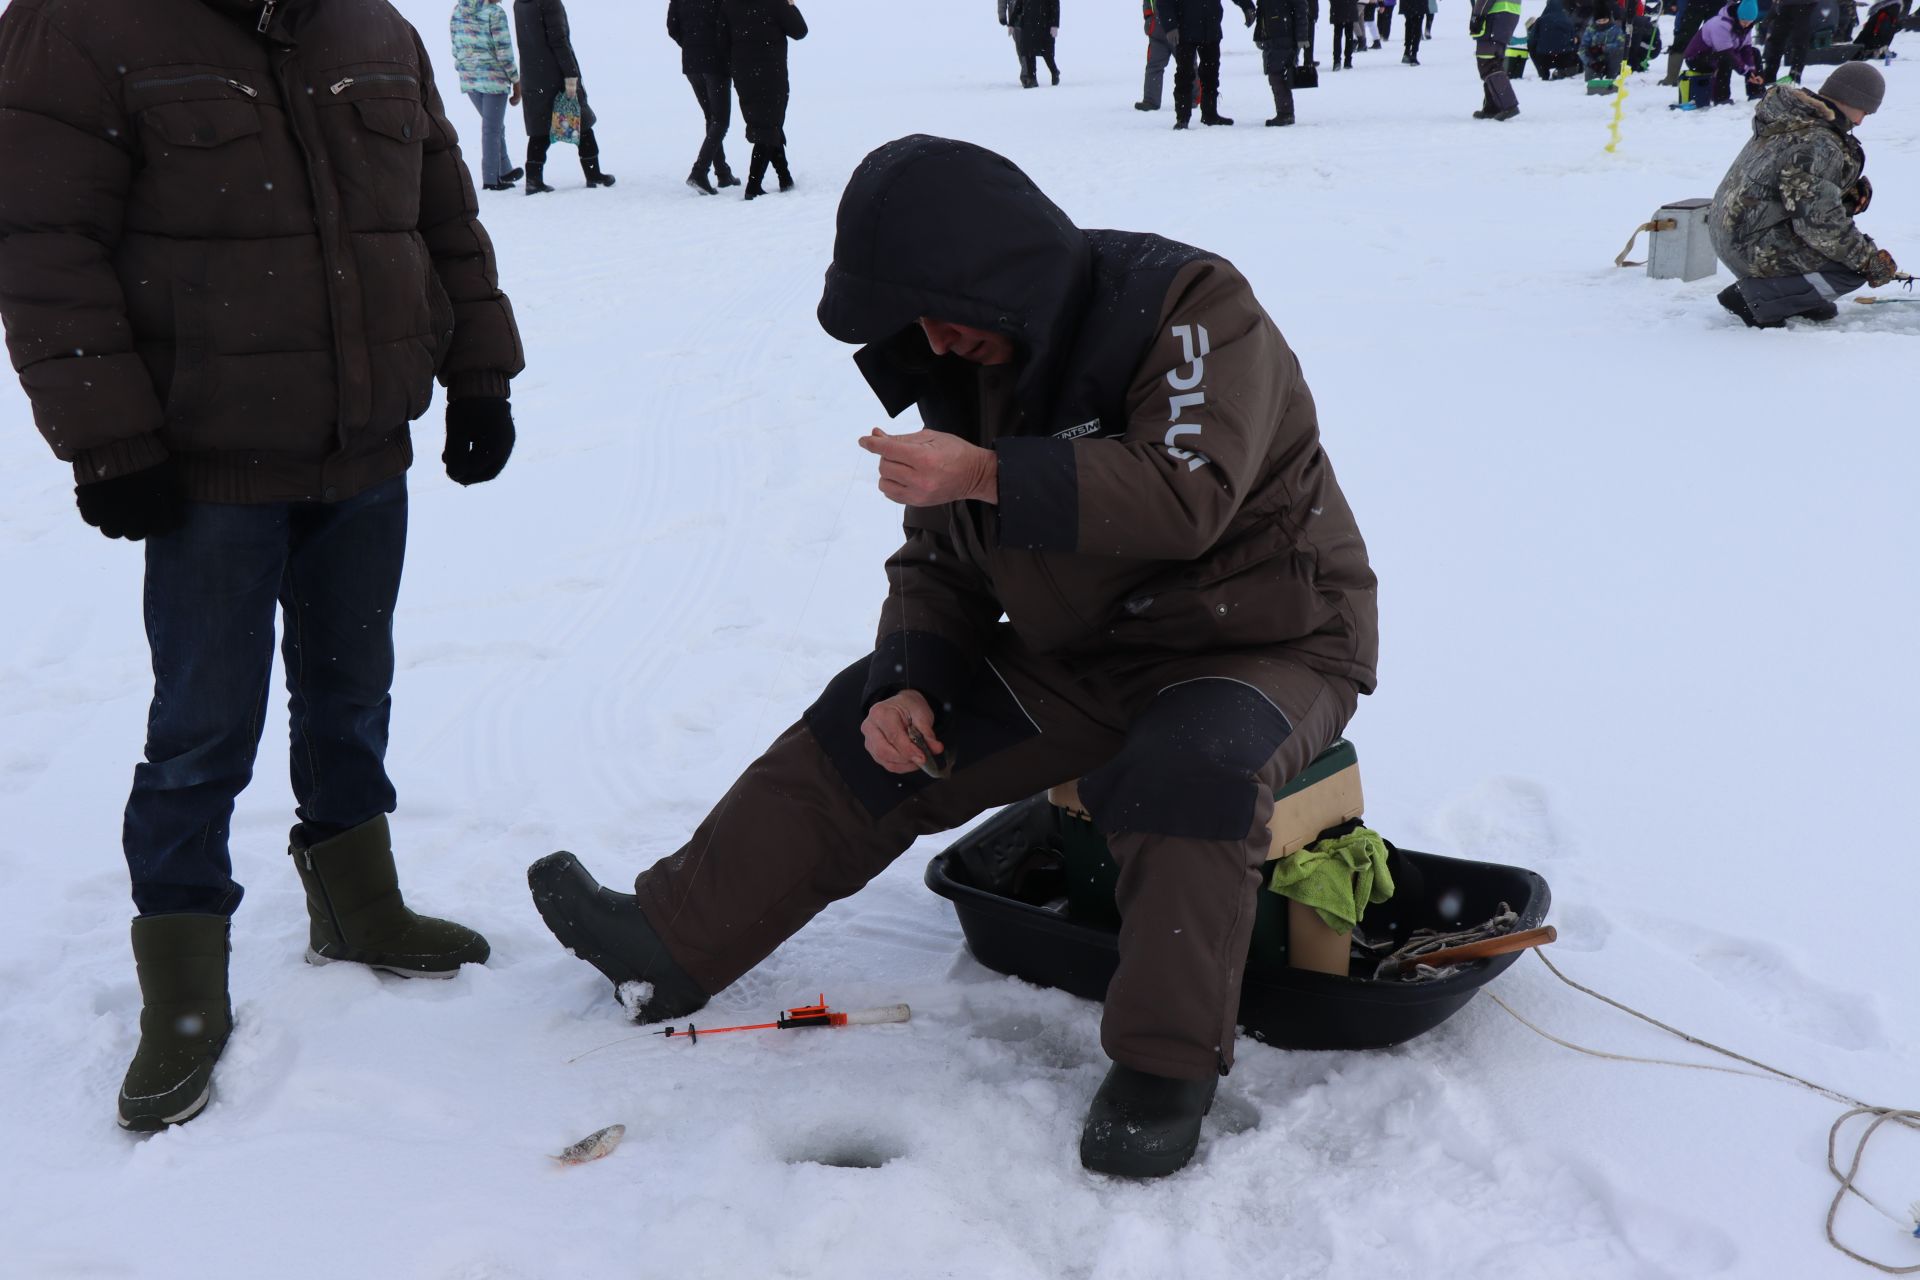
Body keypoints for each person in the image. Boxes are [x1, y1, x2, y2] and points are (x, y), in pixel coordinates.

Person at [526, 134, 1379, 1181]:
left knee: (1187, 771)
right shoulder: (961, 368)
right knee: (870, 728)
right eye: (912, 321)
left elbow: (1185, 490)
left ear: (1004, 273)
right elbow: (943, 553)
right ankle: (669, 939)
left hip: (1264, 639)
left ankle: (1165, 1067)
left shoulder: (1192, 306)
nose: (930, 336)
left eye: (944, 306)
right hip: (1087, 653)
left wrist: (982, 469)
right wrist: (913, 672)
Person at [0, 0, 523, 1132]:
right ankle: (183, 993)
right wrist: (108, 435)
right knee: (202, 725)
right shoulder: (78, 28)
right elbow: (42, 248)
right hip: (203, 467)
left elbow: (442, 212)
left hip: (364, 446)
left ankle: (359, 904)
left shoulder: (373, 28)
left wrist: (481, 366)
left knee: (351, 686)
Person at [1711, 64, 1901, 326]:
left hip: (1735, 233)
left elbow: (1794, 197)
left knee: (1840, 251)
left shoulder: (1794, 118)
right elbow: (1819, 225)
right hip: (1750, 245)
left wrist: (1843, 198)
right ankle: (1757, 299)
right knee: (1849, 268)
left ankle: (1795, 298)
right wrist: (1869, 261)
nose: (1860, 121)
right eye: (1864, 112)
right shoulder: (1818, 141)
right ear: (1851, 99)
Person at [512, 0, 614, 193]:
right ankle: (594, 174)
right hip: (555, 74)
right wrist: (571, 74)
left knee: (540, 130)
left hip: (532, 74)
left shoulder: (520, 3)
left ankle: (533, 178)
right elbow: (559, 41)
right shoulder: (549, 2)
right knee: (582, 124)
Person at [722, 0, 807, 199]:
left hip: (744, 76)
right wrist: (791, 5)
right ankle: (753, 186)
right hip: (771, 74)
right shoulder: (775, 3)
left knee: (768, 124)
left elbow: (722, 42)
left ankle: (785, 178)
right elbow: (800, 31)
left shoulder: (729, 5)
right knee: (768, 128)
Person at [451, 0, 525, 191]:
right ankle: (491, 179)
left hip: (469, 79)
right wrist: (516, 81)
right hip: (494, 79)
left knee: (493, 125)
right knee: (491, 129)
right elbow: (504, 52)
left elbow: (456, 46)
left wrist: (464, 69)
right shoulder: (495, 13)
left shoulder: (459, 10)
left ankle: (504, 169)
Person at [669, 0, 739, 194]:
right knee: (721, 121)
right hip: (716, 63)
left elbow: (672, 27)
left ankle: (723, 173)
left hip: (692, 64)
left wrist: (691, 44)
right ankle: (699, 172)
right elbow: (729, 24)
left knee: (711, 117)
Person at [1162, 0, 1235, 127]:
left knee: (1211, 73)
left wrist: (1247, 6)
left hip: (1211, 28)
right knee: (1184, 74)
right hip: (1185, 29)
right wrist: (1170, 26)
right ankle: (1182, 118)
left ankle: (1210, 114)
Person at [1682, 0, 1765, 107]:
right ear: (1738, 16)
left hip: (1720, 54)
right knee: (1724, 59)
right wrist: (1746, 71)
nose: (1746, 25)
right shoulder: (1720, 24)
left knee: (1755, 52)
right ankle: (1721, 97)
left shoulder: (1747, 26)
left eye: (1750, 22)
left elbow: (1746, 50)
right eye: (1744, 22)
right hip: (1697, 58)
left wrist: (1752, 71)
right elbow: (1726, 52)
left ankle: (1756, 91)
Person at [1257, 0, 1313, 121]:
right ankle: (1285, 111)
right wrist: (1258, 35)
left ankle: (1285, 112)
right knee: (1275, 74)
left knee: (1276, 75)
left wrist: (1302, 37)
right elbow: (1261, 12)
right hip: (1272, 37)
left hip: (1284, 36)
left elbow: (1301, 10)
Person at [1471, 0, 1524, 117]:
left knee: (1488, 62)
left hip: (1495, 17)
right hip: (1505, 17)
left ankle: (1508, 104)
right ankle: (1493, 106)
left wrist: (1476, 16)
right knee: (1493, 60)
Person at [1009, 0, 1062, 87]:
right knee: (1029, 51)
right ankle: (1032, 78)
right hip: (1028, 23)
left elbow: (1055, 6)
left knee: (1047, 53)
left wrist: (1055, 25)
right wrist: (1011, 23)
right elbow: (1018, 5)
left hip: (1045, 23)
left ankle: (1054, 71)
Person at [1762, 0, 1817, 82]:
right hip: (1786, 4)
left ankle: (1795, 73)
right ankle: (1769, 74)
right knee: (1776, 38)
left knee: (1799, 39)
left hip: (1804, 4)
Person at [1527, 0, 1584, 78]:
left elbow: (1531, 42)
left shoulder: (1540, 20)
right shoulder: (1567, 20)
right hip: (1564, 58)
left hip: (1544, 59)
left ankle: (1544, 73)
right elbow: (1574, 40)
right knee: (1576, 59)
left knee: (1533, 47)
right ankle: (1565, 70)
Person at [1137, 0, 1175, 108]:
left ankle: (1193, 99)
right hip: (1157, 31)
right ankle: (1151, 101)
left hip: (1178, 29)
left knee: (1187, 65)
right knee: (1153, 66)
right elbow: (1147, 3)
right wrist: (1149, 19)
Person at [1579, 6, 1628, 84]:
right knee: (1592, 81)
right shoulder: (1590, 30)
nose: (1602, 22)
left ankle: (1612, 75)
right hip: (1595, 59)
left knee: (1617, 54)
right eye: (1599, 21)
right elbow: (1582, 50)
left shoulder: (1616, 30)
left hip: (1611, 59)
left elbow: (1620, 45)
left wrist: (1602, 48)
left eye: (1604, 20)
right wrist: (1591, 63)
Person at [1331, 0, 1365, 66]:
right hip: (1349, 8)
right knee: (1349, 35)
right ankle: (1348, 60)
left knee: (1337, 36)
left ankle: (1337, 60)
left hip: (1337, 9)